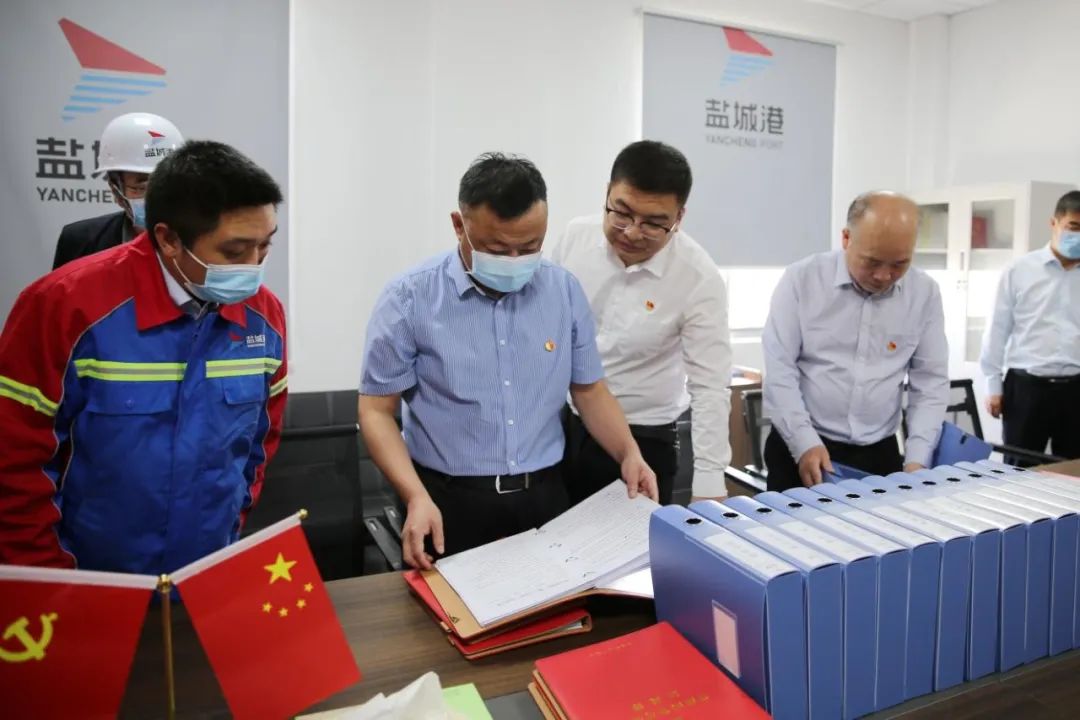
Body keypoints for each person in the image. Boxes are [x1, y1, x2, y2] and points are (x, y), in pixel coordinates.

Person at [359, 152, 658, 569]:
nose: (515, 261)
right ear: (459, 225)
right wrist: (414, 496)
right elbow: (376, 411)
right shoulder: (410, 298)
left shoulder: (563, 291)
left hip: (545, 496)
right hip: (446, 500)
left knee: (555, 604)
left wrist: (628, 452)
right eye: (497, 248)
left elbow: (589, 390)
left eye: (530, 247)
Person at [0, 140, 287, 573]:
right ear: (168, 239)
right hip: (89, 578)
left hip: (206, 571)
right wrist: (51, 577)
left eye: (264, 246)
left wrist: (227, 526)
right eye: (234, 251)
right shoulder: (65, 306)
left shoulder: (263, 316)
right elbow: (15, 461)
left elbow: (259, 444)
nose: (253, 266)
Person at [547, 140, 731, 505]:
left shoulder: (698, 278)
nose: (632, 232)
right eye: (622, 213)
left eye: (653, 223)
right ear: (607, 193)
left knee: (632, 541)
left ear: (679, 218)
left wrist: (709, 484)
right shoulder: (575, 240)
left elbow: (710, 386)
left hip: (645, 438)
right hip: (566, 425)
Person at [762, 191, 949, 490]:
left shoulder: (924, 293)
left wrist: (917, 460)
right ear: (846, 238)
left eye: (899, 264)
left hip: (879, 453)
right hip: (803, 445)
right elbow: (779, 369)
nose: (884, 275)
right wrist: (804, 443)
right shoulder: (802, 280)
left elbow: (930, 383)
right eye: (872, 262)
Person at [980, 190, 1080, 464]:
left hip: (1076, 390)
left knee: (1073, 474)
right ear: (1054, 223)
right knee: (1018, 470)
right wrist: (993, 385)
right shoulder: (1020, 270)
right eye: (1074, 227)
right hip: (1027, 388)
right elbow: (997, 329)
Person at [52, 112, 184, 269]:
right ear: (116, 191)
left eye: (170, 184)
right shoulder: (81, 241)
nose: (160, 196)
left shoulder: (203, 242)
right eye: (143, 187)